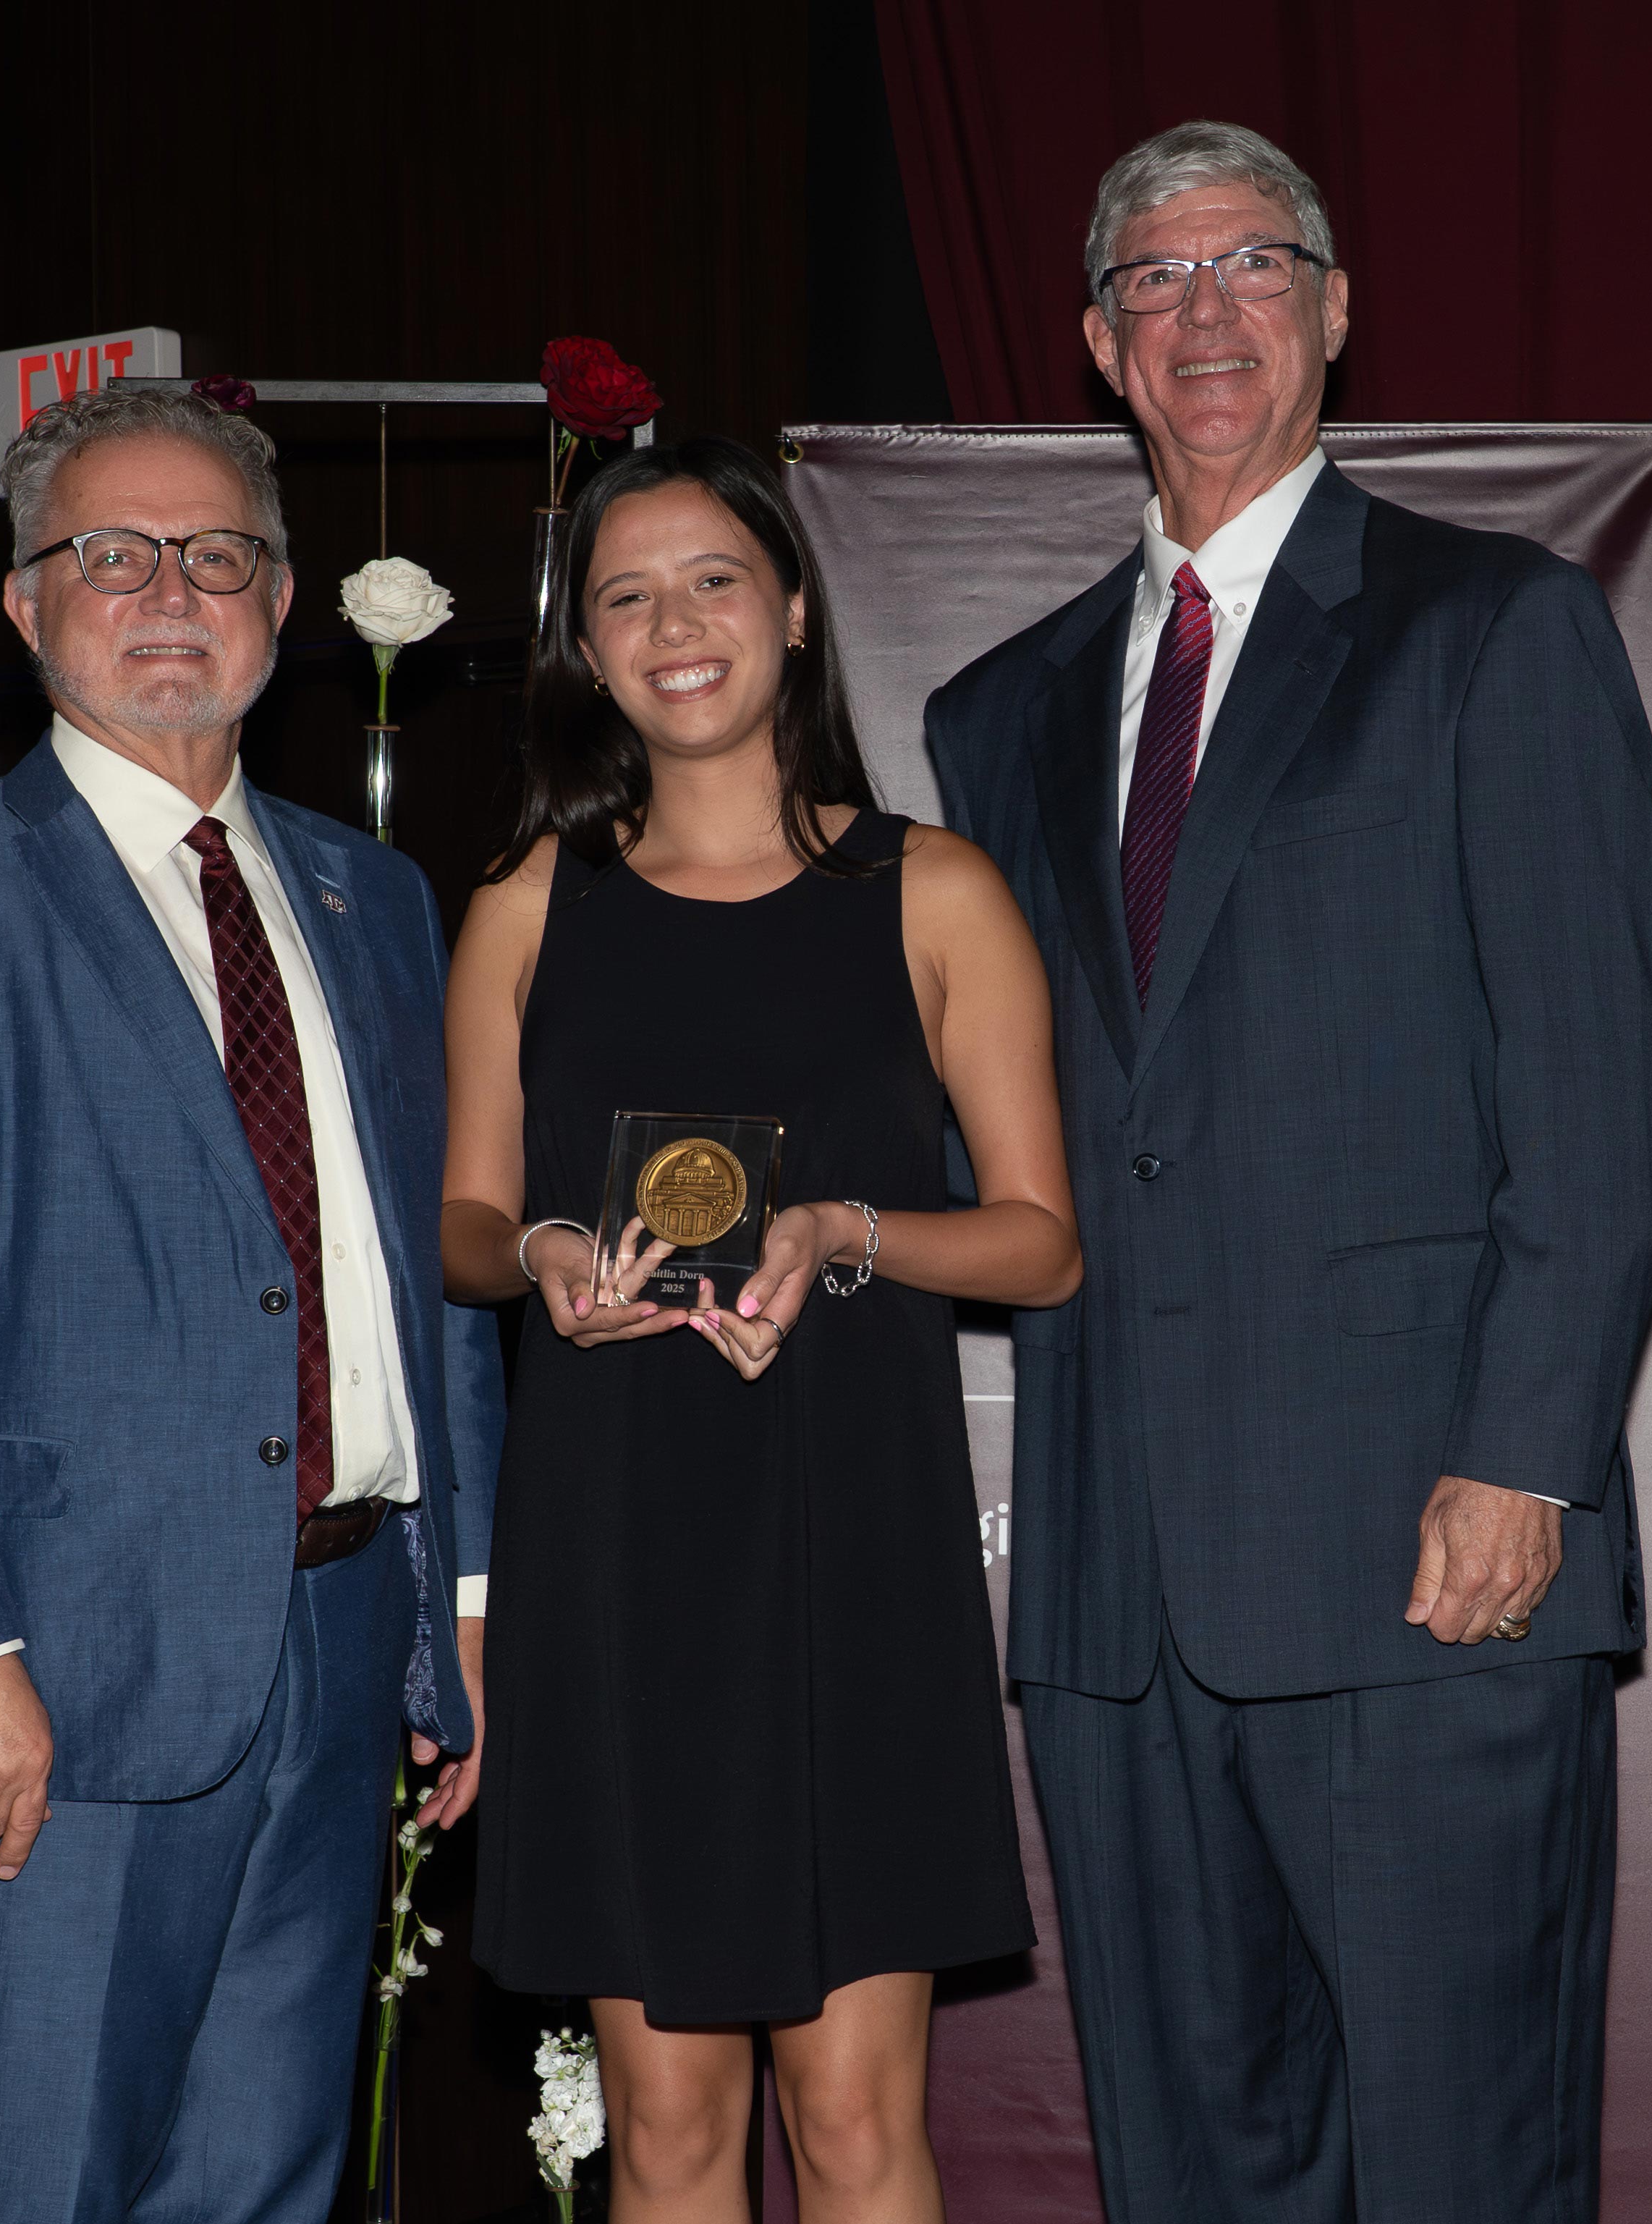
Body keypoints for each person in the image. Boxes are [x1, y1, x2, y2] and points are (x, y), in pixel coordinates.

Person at [928, 121, 1652, 2223]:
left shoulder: (1492, 629)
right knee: (1190, 2181)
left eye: (1251, 263)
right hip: (1111, 1599)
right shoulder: (996, 715)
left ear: (1336, 311)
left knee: (1462, 2166)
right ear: (1095, 342)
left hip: (1425, 1566)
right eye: (1152, 279)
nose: (1204, 310)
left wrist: (1526, 1458)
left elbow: (1601, 1093)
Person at [0, 385, 502, 2223]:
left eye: (216, 555)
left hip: (340, 1658)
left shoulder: (375, 895)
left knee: (266, 2184)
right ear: (25, 603)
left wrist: (466, 1601)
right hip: (53, 1683)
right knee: (47, 2187)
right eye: (110, 554)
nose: (168, 591)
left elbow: (429, 1277)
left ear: (280, 600)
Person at [443, 435, 1080, 2223]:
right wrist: (552, 1246)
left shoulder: (930, 890)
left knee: (862, 2125)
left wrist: (840, 1230)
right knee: (662, 2136)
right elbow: (464, 1222)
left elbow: (1040, 1245)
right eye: (625, 596)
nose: (675, 623)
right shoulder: (521, 906)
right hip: (617, 1548)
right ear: (586, 648)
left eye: (712, 578)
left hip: (852, 1547)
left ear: (793, 609)